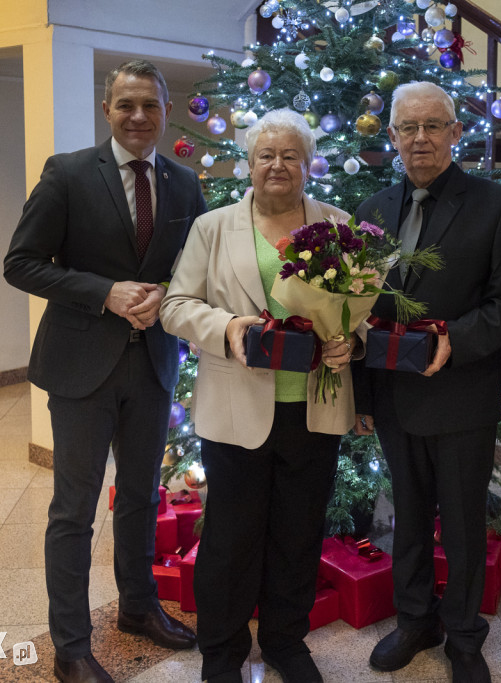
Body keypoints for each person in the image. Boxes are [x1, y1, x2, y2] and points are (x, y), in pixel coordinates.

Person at [4, 59, 207, 683]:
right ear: (107, 110)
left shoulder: (183, 181)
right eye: (126, 105)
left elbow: (192, 268)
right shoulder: (67, 174)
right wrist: (106, 292)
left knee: (143, 496)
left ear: (165, 110)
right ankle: (70, 645)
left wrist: (163, 294)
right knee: (74, 510)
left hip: (151, 364)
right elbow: (21, 263)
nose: (139, 116)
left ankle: (139, 608)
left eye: (150, 105)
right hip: (80, 368)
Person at [160, 108, 359, 683]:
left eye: (290, 155)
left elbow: (358, 313)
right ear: (248, 165)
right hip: (235, 411)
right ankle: (221, 655)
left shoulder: (339, 226)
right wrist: (226, 328)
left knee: (298, 535)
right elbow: (176, 306)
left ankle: (284, 643)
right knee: (229, 540)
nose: (278, 165)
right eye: (266, 156)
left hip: (315, 407)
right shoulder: (213, 227)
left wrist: (353, 343)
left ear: (308, 163)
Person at [352, 81, 501, 682]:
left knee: (460, 523)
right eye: (408, 127)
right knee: (405, 517)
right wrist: (363, 395)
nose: (420, 138)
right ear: (393, 135)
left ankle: (465, 638)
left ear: (456, 132)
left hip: (460, 395)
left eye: (433, 125)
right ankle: (415, 621)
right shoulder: (372, 210)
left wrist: (454, 339)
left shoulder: (494, 206)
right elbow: (357, 308)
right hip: (394, 396)